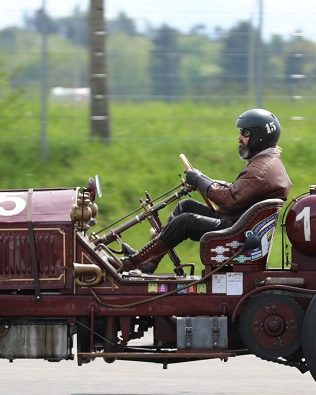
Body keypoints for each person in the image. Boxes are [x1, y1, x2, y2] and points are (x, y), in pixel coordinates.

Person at [121, 108, 292, 273]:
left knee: (185, 221)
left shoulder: (260, 170)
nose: (239, 138)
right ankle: (149, 261)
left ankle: (132, 263)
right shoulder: (267, 162)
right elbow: (238, 190)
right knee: (185, 206)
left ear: (259, 136)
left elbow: (229, 199)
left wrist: (199, 180)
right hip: (239, 223)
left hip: (235, 230)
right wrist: (204, 180)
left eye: (245, 133)